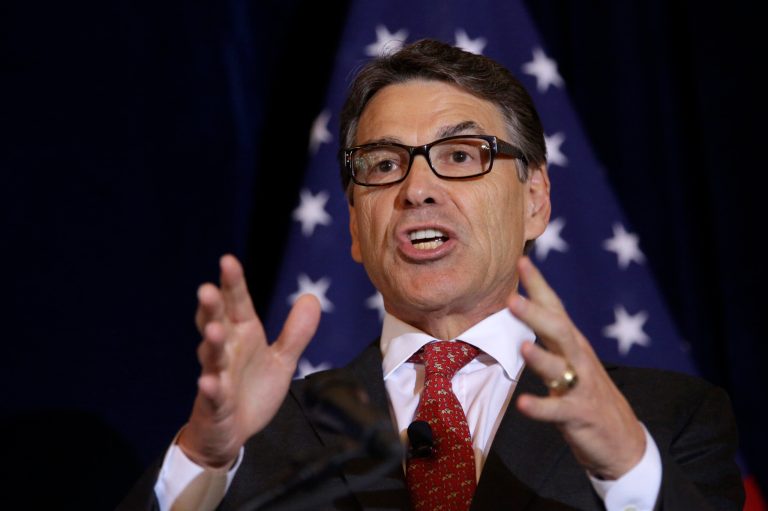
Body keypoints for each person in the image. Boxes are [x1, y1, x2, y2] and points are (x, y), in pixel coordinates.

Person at [119, 38, 744, 510]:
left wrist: (625, 465)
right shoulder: (252, 432)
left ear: (535, 200)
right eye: (384, 164)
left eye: (460, 156)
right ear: (355, 226)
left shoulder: (664, 419)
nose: (417, 188)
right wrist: (205, 453)